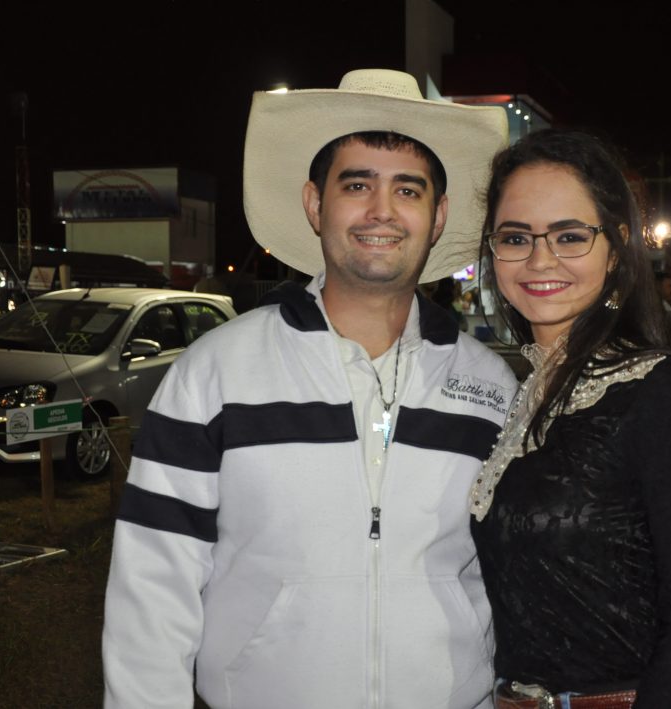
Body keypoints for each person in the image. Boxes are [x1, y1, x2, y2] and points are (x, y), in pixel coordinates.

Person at [102, 69, 518, 709]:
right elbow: (152, 584)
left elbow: (515, 574)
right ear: (314, 204)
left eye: (408, 189)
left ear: (437, 217)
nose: (382, 210)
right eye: (357, 184)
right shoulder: (214, 373)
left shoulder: (490, 387)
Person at [468, 129, 671, 708]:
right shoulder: (522, 393)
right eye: (515, 237)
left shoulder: (664, 393)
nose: (540, 259)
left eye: (569, 236)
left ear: (616, 249)